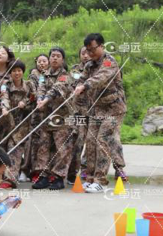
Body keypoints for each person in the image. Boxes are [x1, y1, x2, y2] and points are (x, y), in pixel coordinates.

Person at [74, 33, 127, 193]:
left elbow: (101, 77)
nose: (90, 53)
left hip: (114, 109)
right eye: (88, 50)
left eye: (93, 49)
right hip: (97, 109)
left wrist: (85, 86)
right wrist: (78, 86)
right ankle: (90, 178)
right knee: (90, 141)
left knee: (102, 139)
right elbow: (81, 79)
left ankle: (100, 180)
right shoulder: (89, 65)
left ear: (102, 46)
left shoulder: (109, 61)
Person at [32, 47, 75, 190]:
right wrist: (39, 99)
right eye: (52, 56)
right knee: (43, 147)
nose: (55, 58)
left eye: (58, 56)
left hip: (61, 117)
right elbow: (41, 87)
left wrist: (45, 100)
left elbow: (57, 89)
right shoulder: (44, 74)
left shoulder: (65, 75)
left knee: (62, 148)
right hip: (46, 116)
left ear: (62, 59)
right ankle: (43, 175)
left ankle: (58, 177)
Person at [0, 60, 36, 188]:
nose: (17, 73)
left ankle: (10, 179)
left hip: (22, 123)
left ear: (23, 72)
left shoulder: (29, 85)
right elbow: (4, 97)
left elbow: (33, 98)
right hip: (7, 121)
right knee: (2, 148)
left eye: (19, 70)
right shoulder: (5, 85)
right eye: (14, 71)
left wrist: (25, 102)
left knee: (15, 148)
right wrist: (4, 108)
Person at [23, 54, 50, 182]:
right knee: (32, 142)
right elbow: (34, 92)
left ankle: (41, 171)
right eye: (39, 61)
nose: (42, 63)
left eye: (44, 61)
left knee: (43, 143)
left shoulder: (51, 75)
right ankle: (27, 170)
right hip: (35, 113)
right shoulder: (33, 76)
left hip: (48, 114)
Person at [67, 46, 91, 185]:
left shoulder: (97, 68)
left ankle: (86, 170)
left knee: (92, 143)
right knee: (78, 142)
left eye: (88, 53)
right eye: (83, 53)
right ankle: (72, 173)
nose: (86, 56)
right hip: (78, 111)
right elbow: (71, 85)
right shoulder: (75, 70)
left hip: (94, 111)